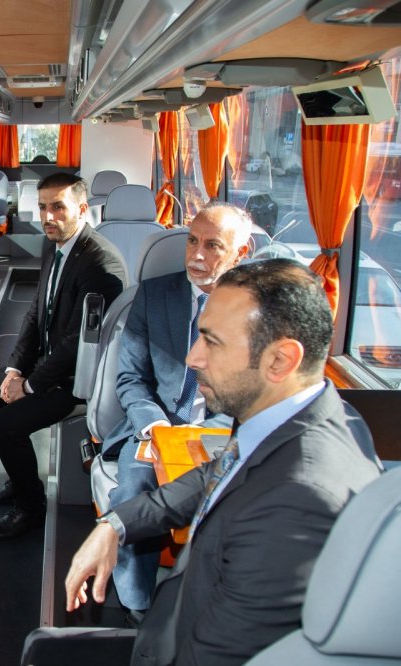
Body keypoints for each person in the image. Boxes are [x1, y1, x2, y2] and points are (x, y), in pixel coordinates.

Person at [64, 259, 381, 666]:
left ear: (280, 360)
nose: (192, 358)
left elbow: (219, 653)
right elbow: (219, 475)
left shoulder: (296, 503)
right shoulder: (295, 418)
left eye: (211, 342)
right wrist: (117, 524)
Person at [100, 203, 252, 621]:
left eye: (213, 246)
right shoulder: (153, 294)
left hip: (221, 431)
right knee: (135, 492)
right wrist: (154, 426)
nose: (197, 255)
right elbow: (131, 377)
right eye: (192, 241)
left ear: (240, 252)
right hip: (155, 425)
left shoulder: (254, 308)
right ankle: (137, 608)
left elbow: (252, 392)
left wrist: (212, 432)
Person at [0, 172, 127, 539]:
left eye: (58, 207)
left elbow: (78, 344)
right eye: (42, 207)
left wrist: (30, 385)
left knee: (7, 425)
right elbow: (36, 312)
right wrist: (14, 370)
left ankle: (30, 508)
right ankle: (21, 478)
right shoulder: (53, 244)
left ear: (82, 209)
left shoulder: (101, 263)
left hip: (78, 377)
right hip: (49, 362)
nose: (48, 217)